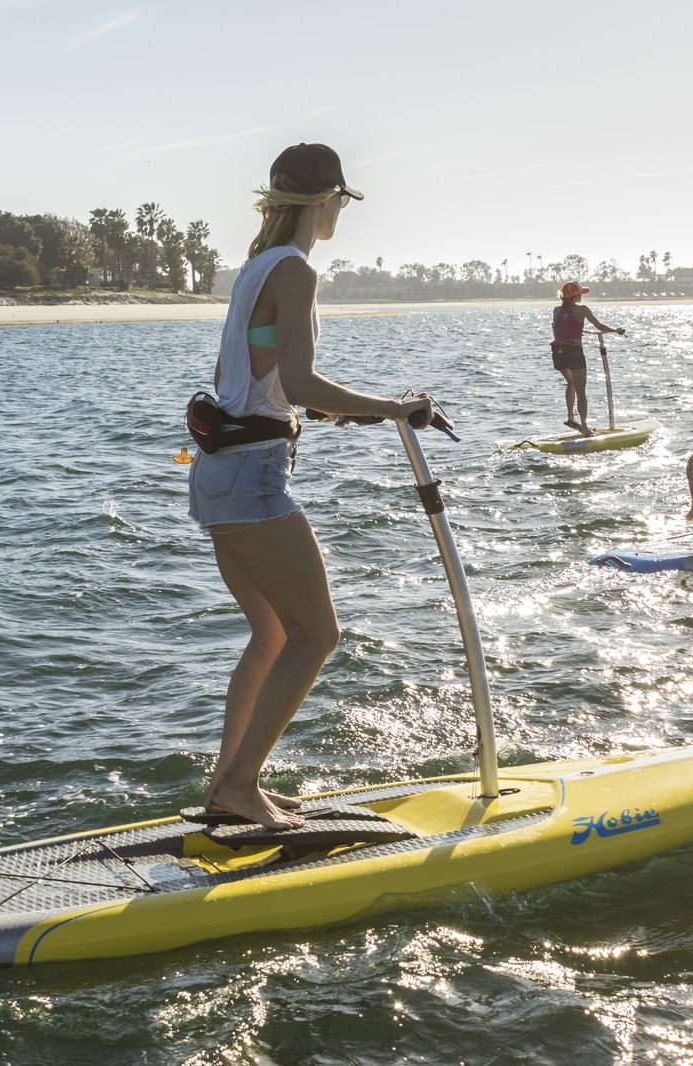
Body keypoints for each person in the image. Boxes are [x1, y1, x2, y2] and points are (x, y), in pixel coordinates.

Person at [186, 143, 433, 830]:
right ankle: (239, 783)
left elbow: (254, 378)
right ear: (328, 202)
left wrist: (319, 411)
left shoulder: (254, 267)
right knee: (315, 634)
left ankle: (225, 784)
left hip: (217, 471)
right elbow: (293, 380)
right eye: (338, 205)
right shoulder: (294, 270)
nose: (337, 216)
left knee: (269, 633)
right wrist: (395, 407)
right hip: (253, 474)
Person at [550, 281, 624, 435]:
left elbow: (558, 329)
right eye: (580, 294)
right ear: (576, 296)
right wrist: (614, 330)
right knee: (581, 390)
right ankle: (584, 426)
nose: (582, 296)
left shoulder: (556, 310)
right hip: (574, 351)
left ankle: (571, 417)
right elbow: (599, 326)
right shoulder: (582, 310)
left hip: (558, 352)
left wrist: (575, 331)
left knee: (570, 383)